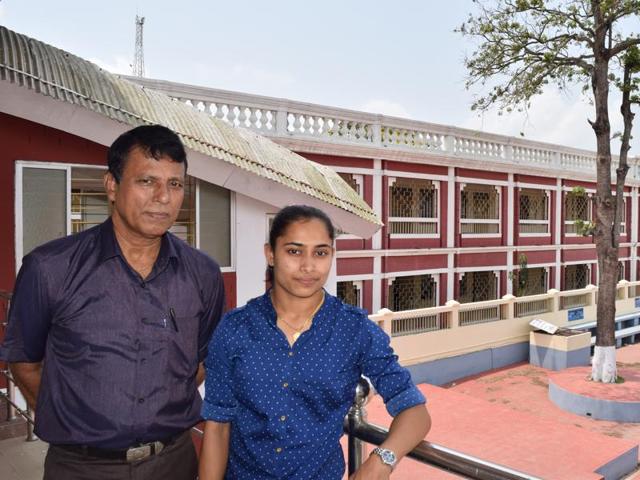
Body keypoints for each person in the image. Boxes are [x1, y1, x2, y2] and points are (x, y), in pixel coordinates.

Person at [0, 125, 225, 480]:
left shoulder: (203, 274)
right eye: (147, 181)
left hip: (174, 463)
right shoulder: (50, 268)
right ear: (112, 186)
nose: (163, 197)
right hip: (79, 467)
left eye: (175, 184)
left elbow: (200, 361)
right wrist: (77, 417)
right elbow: (24, 362)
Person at [199, 205, 430, 480]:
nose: (308, 266)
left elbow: (415, 412)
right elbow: (217, 427)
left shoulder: (353, 329)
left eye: (320, 253)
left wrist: (381, 461)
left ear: (332, 255)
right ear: (270, 254)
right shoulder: (235, 329)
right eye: (294, 251)